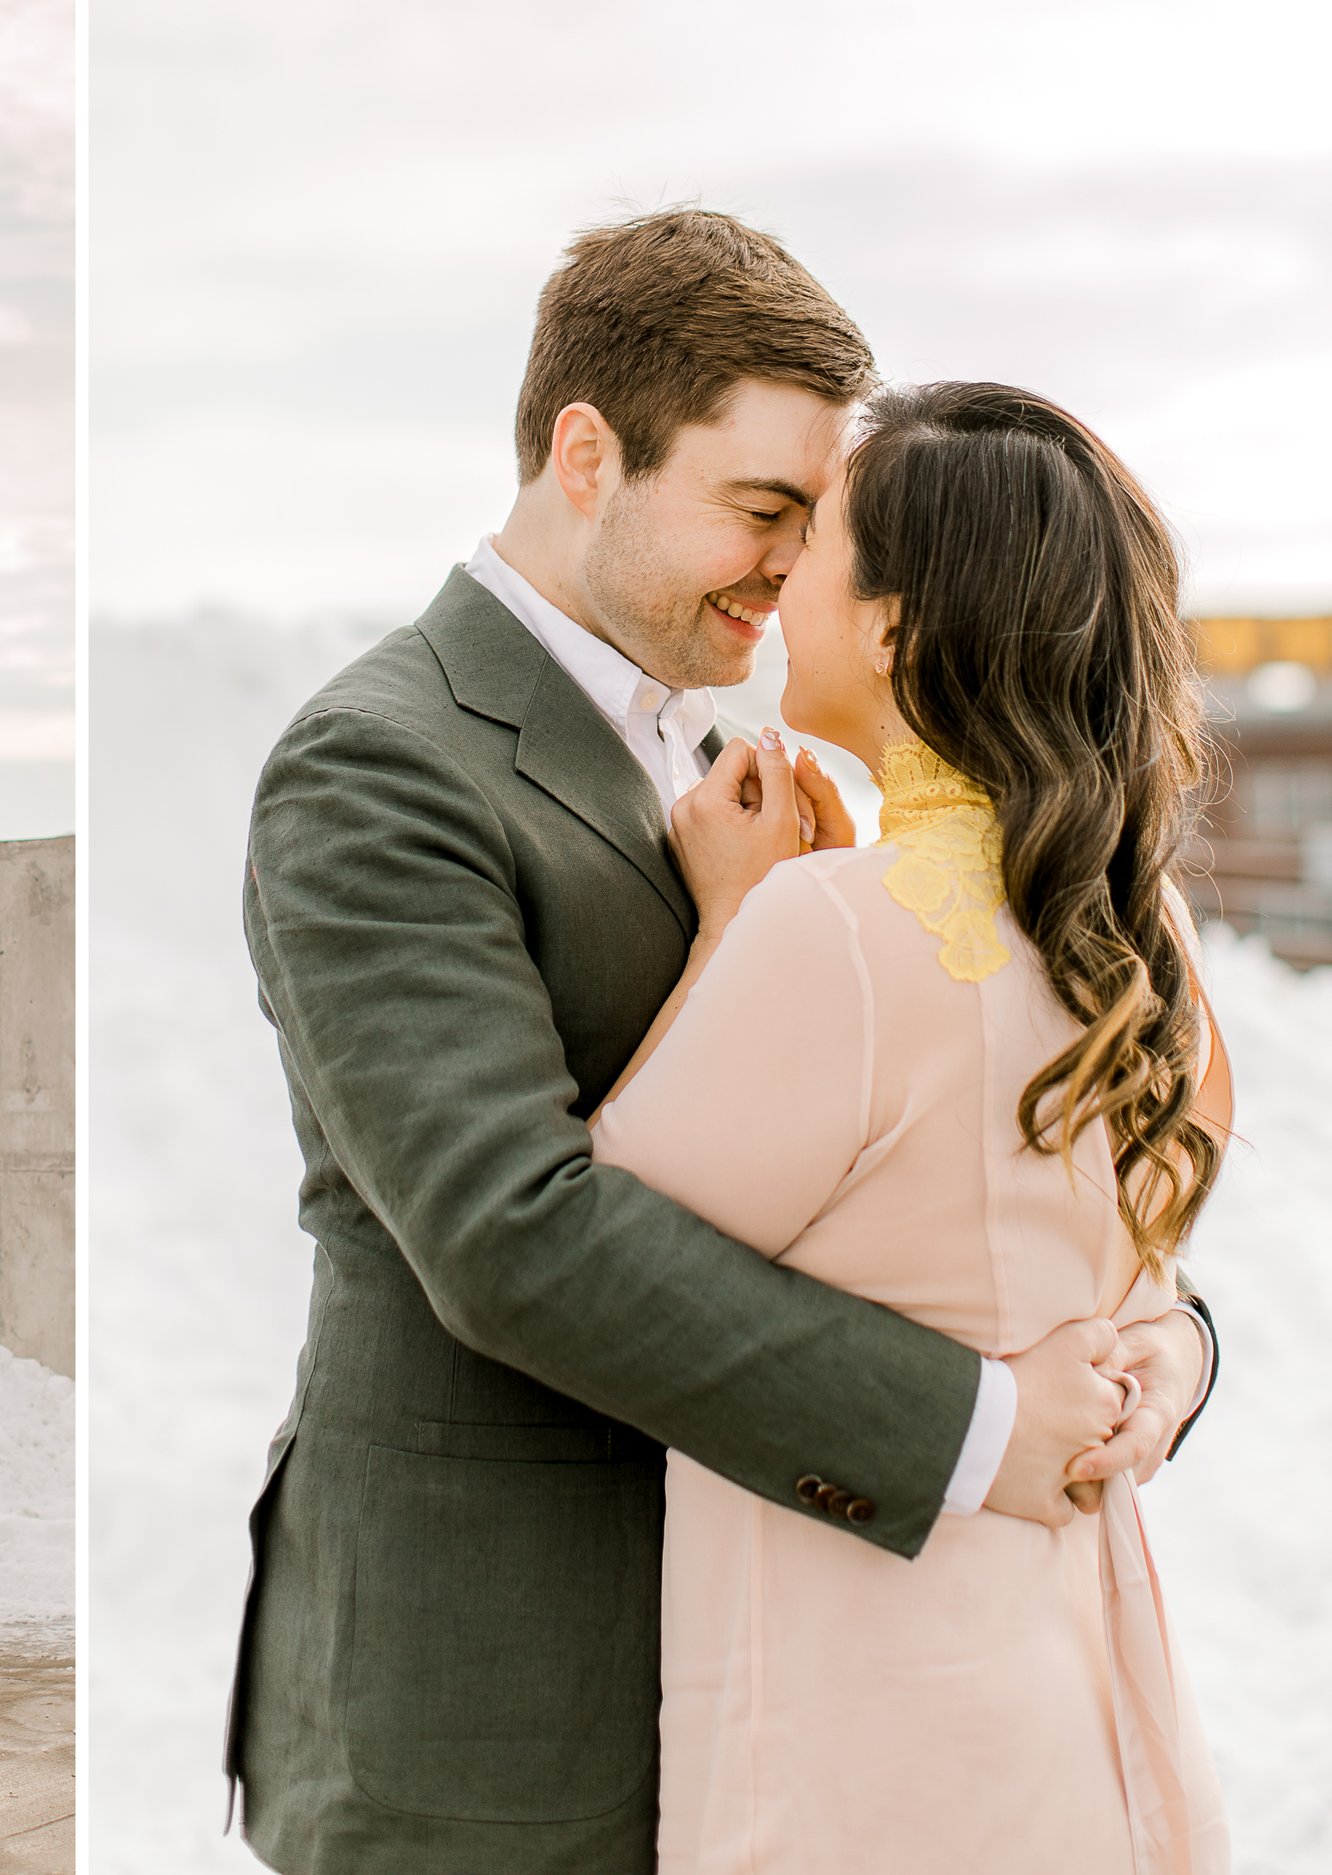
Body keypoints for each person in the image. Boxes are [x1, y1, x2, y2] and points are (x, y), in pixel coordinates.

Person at [227, 209, 1218, 1873]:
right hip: (499, 1701)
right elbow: (506, 1233)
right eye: (763, 510)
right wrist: (989, 1424)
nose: (792, 565)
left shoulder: (757, 775)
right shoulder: (381, 766)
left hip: (780, 1684)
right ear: (588, 454)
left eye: (818, 524)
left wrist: (1159, 1353)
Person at [588, 381, 1229, 1871]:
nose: (776, 576)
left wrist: (729, 920)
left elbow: (588, 1263)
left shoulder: (840, 928)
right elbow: (1146, 1297)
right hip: (1083, 1708)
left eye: (813, 541)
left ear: (893, 629)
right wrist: (1182, 1354)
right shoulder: (1142, 932)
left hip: (863, 1739)